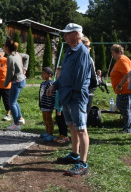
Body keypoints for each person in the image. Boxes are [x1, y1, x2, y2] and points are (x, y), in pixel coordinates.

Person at [47, 23, 91, 177]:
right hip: (66, 95)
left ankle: (83, 164)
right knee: (72, 126)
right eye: (64, 34)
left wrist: (67, 93)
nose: (64, 36)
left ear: (76, 35)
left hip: (76, 96)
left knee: (80, 128)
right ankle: (74, 154)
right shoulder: (68, 51)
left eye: (67, 33)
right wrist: (55, 85)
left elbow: (78, 80)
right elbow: (64, 73)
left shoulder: (83, 52)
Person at [110, 44, 131, 133]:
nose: (112, 55)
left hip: (125, 89)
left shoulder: (122, 60)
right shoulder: (120, 60)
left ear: (119, 52)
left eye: (113, 53)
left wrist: (120, 85)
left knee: (125, 109)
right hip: (123, 89)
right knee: (121, 106)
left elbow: (127, 74)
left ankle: (127, 128)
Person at [3, 39, 29, 131]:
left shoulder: (10, 57)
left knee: (12, 103)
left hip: (17, 82)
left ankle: (16, 124)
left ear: (6, 47)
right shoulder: (17, 54)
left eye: (4, 46)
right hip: (22, 80)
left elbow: (10, 72)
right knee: (14, 101)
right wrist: (24, 68)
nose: (3, 47)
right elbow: (27, 56)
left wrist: (5, 83)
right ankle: (20, 118)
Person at [38, 67, 56, 142]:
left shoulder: (51, 84)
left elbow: (54, 95)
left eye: (44, 73)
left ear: (49, 75)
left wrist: (53, 104)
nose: (42, 75)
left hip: (49, 105)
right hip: (43, 104)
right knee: (45, 119)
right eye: (42, 73)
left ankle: (50, 133)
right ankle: (47, 131)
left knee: (49, 119)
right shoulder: (43, 83)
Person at [81, 36, 98, 116]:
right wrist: (95, 84)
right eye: (88, 46)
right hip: (87, 87)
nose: (90, 48)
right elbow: (92, 74)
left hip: (84, 87)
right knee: (85, 112)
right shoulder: (86, 58)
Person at [53, 66, 69, 144]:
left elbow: (61, 97)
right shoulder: (58, 83)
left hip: (61, 107)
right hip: (57, 106)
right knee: (58, 120)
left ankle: (64, 135)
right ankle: (60, 133)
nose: (57, 75)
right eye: (56, 73)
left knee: (62, 121)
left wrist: (59, 109)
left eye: (58, 73)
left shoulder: (63, 84)